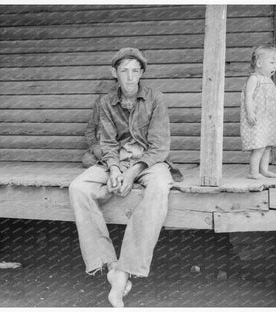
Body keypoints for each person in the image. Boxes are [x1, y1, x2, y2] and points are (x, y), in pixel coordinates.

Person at [70, 47, 175, 307]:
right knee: (78, 187)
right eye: (124, 71)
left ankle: (127, 268)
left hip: (148, 161)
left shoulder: (155, 99)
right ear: (114, 73)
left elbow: (160, 146)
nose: (130, 77)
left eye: (135, 71)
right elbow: (105, 141)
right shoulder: (106, 102)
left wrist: (134, 170)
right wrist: (115, 169)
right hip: (113, 160)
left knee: (160, 186)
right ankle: (110, 265)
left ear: (142, 74)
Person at [240, 46, 276, 179]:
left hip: (269, 120)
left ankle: (264, 170)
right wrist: (250, 113)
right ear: (259, 63)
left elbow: (271, 100)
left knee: (267, 146)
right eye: (271, 63)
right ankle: (253, 172)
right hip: (258, 118)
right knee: (259, 146)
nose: (275, 66)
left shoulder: (269, 81)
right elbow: (248, 97)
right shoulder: (254, 79)